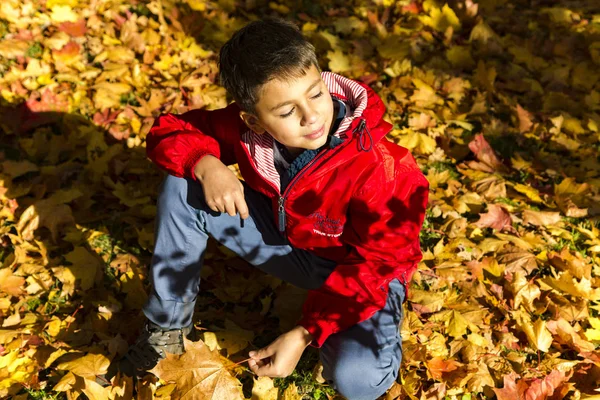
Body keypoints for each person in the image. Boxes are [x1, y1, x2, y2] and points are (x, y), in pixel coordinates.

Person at [125, 17, 429, 400]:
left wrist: (306, 334)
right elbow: (168, 129)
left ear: (324, 79)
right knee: (183, 183)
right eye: (286, 112)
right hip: (291, 245)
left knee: (358, 380)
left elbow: (379, 263)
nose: (312, 116)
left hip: (364, 274)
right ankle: (165, 329)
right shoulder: (249, 132)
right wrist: (206, 162)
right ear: (254, 120)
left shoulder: (385, 169)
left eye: (316, 94)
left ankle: (354, 332)